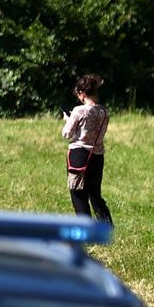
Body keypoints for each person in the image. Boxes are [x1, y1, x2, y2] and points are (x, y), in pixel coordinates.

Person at [61, 74, 111, 224]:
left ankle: (86, 228)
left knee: (78, 194)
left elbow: (67, 134)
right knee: (95, 194)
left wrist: (68, 120)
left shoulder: (78, 111)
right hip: (97, 156)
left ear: (82, 93)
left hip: (79, 155)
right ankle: (106, 225)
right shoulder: (104, 112)